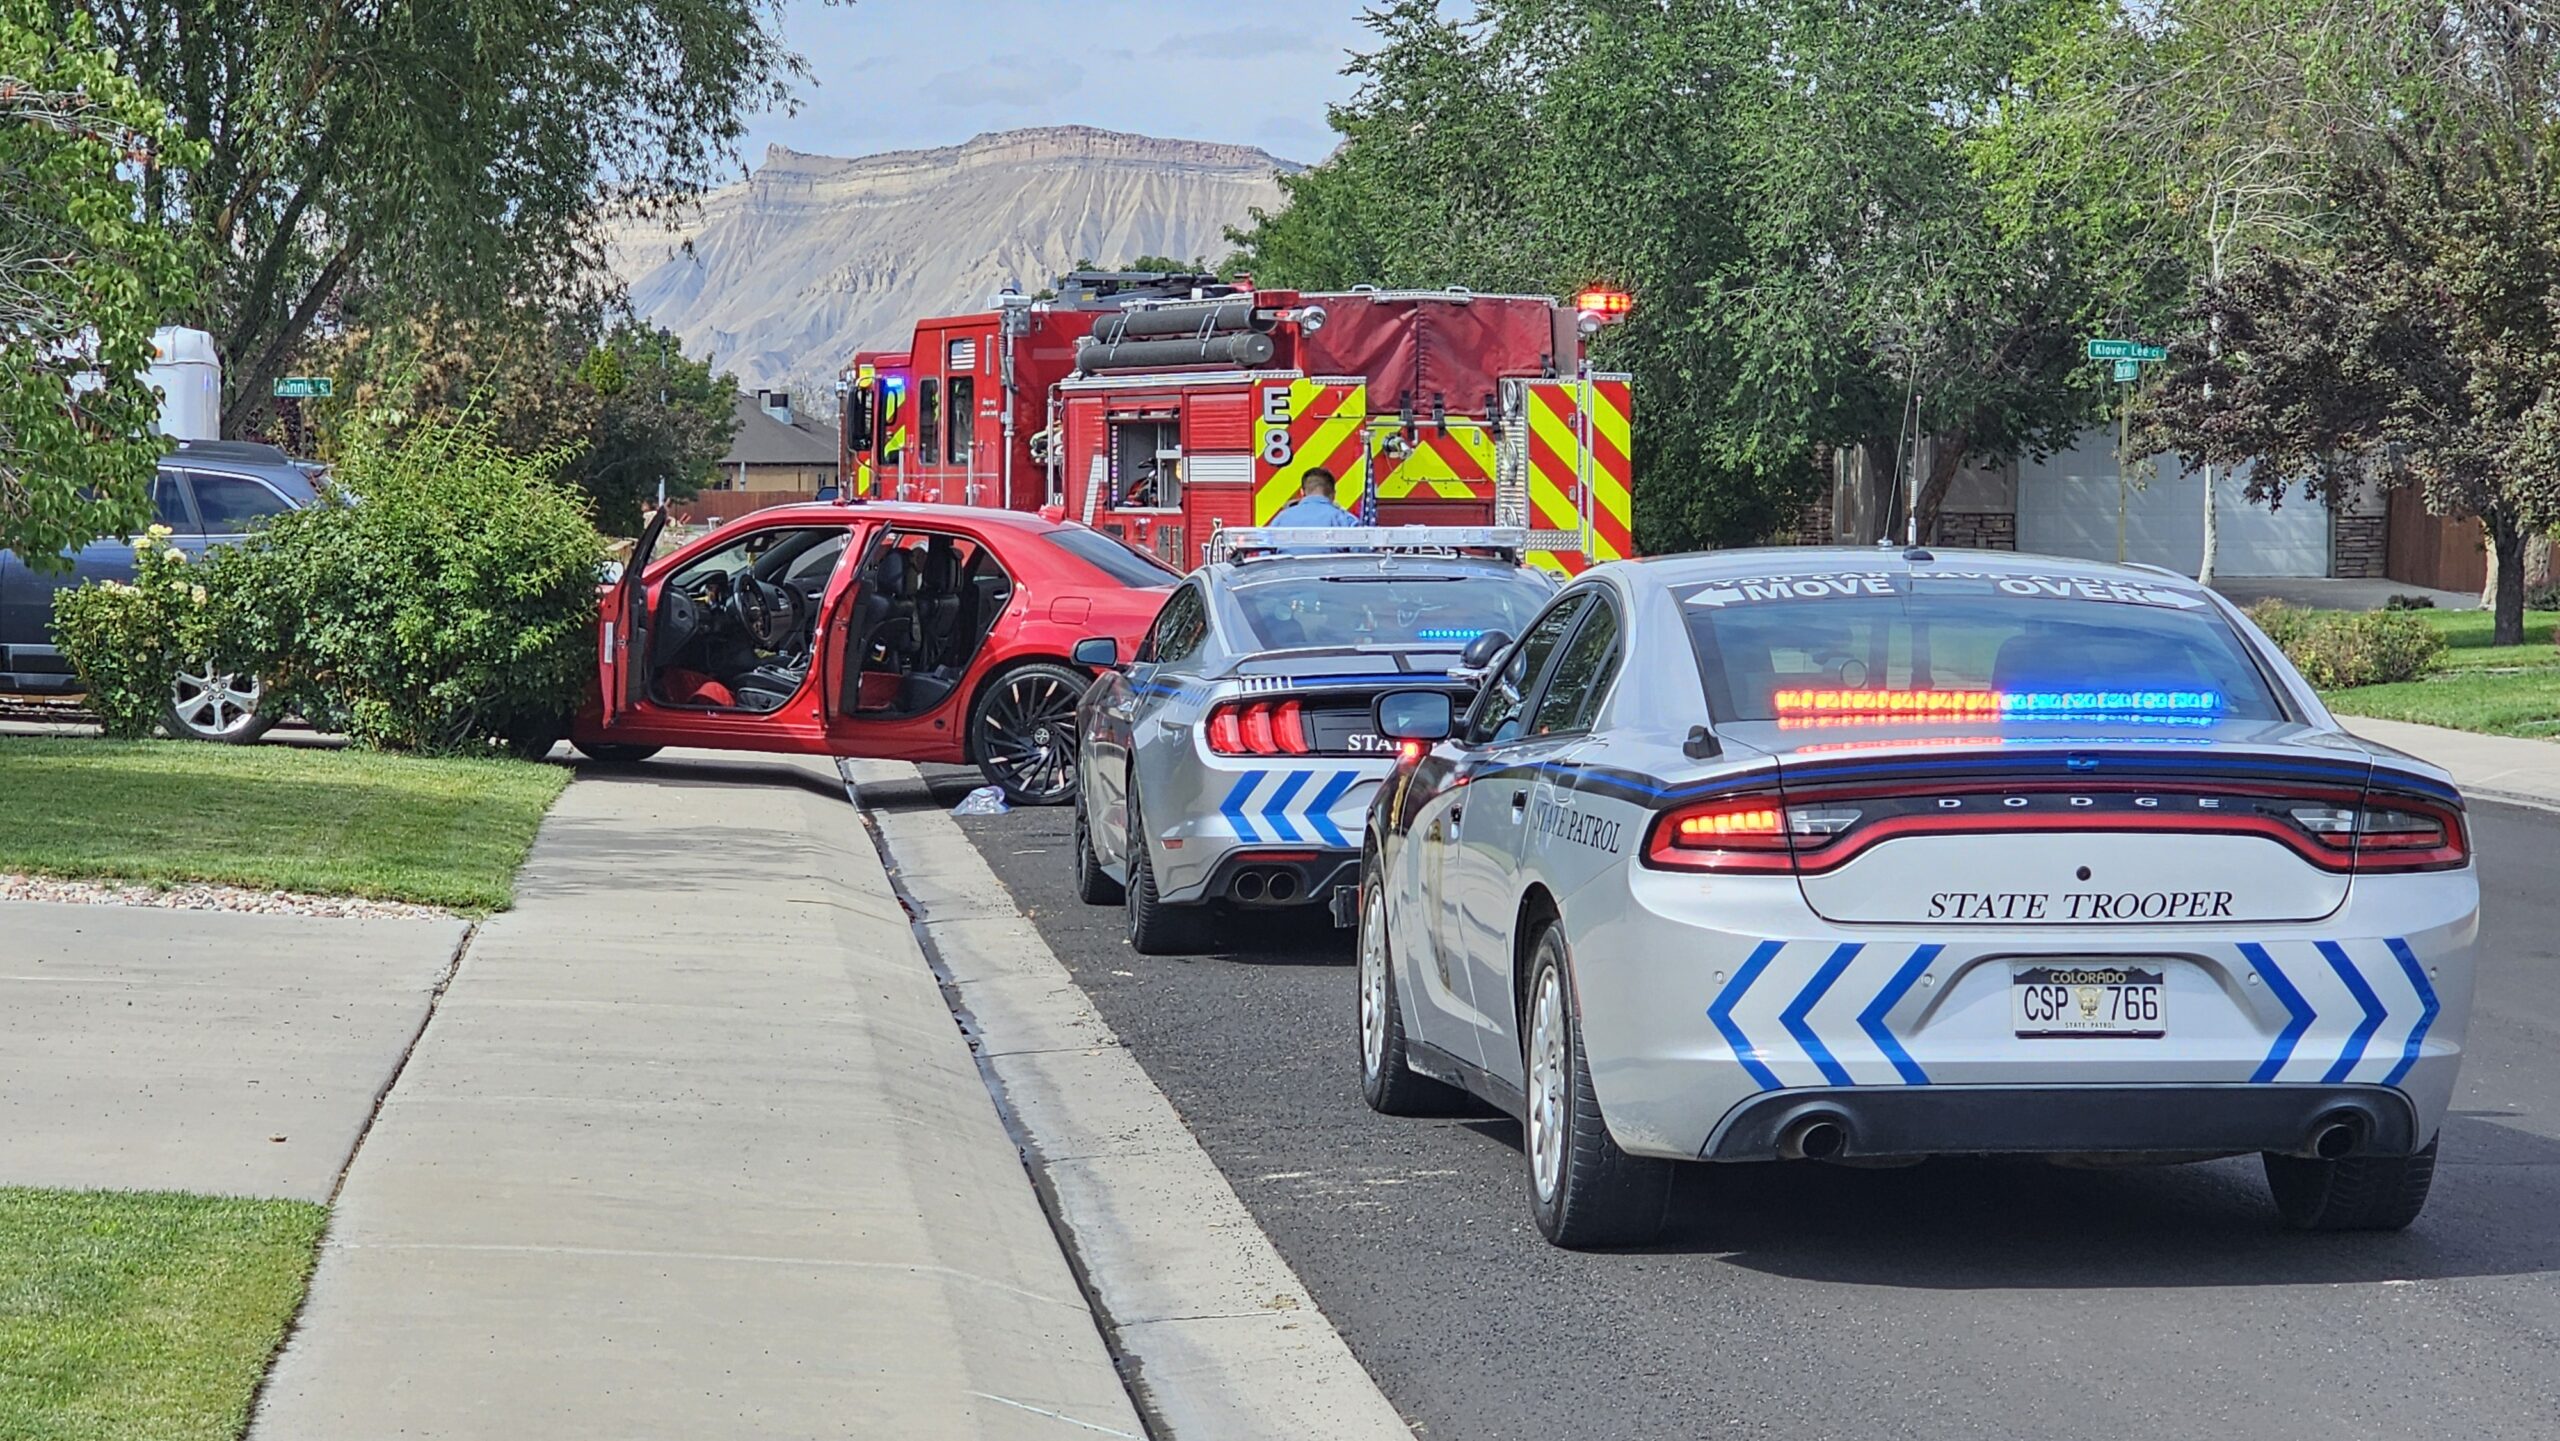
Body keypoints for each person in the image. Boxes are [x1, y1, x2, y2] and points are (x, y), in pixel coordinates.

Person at [1269, 469, 1364, 529]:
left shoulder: (1281, 519)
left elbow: (1265, 552)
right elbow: (1361, 554)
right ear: (1333, 494)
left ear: (1302, 492)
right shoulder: (1344, 519)